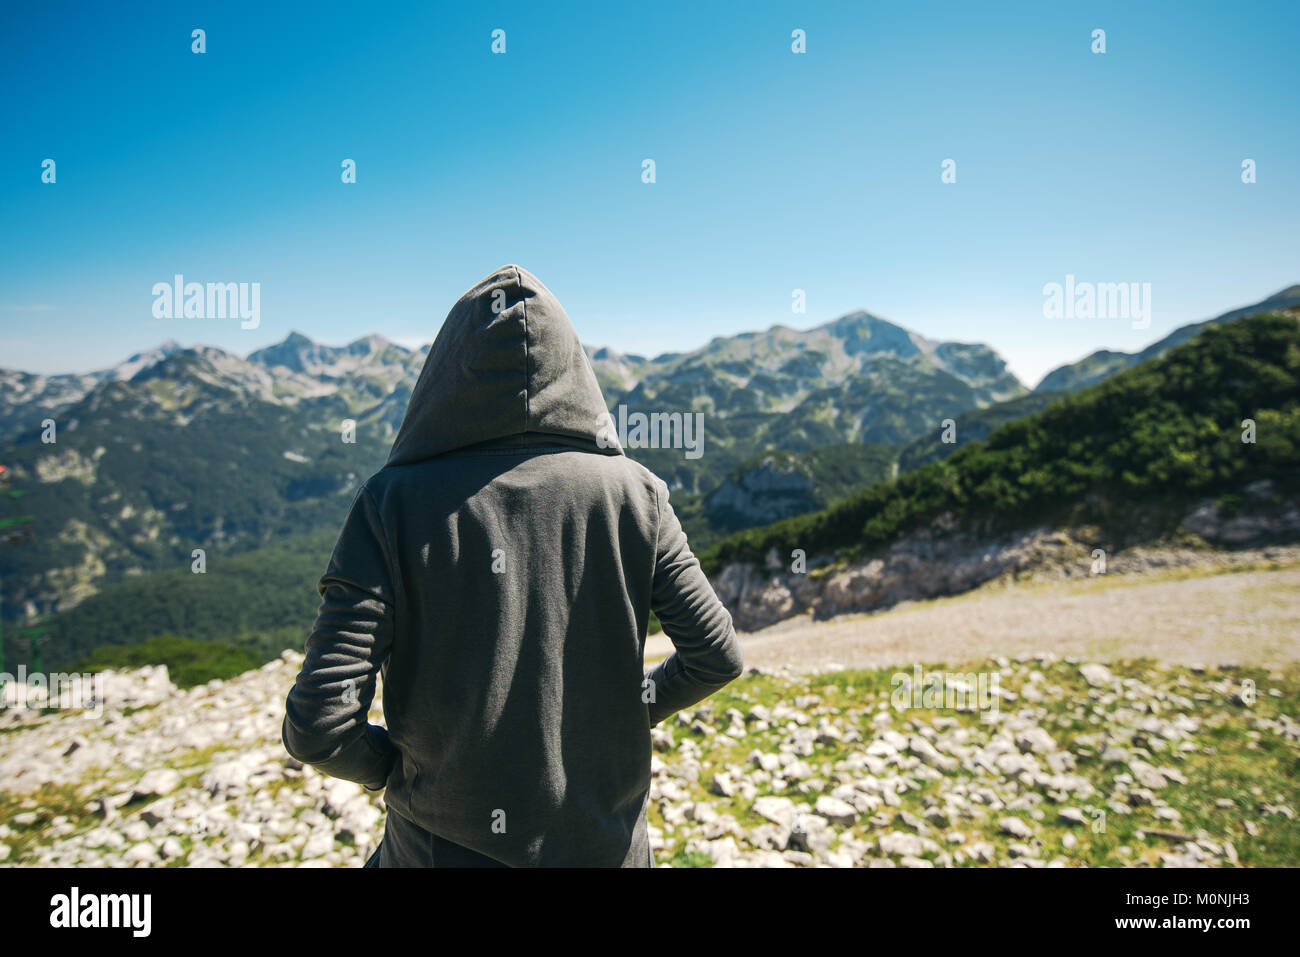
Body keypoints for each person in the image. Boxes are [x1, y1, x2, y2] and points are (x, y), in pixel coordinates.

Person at [282, 264, 745, 867]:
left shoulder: (389, 505)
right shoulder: (637, 494)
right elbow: (717, 655)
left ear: (445, 371)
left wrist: (398, 771)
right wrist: (636, 705)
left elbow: (319, 726)